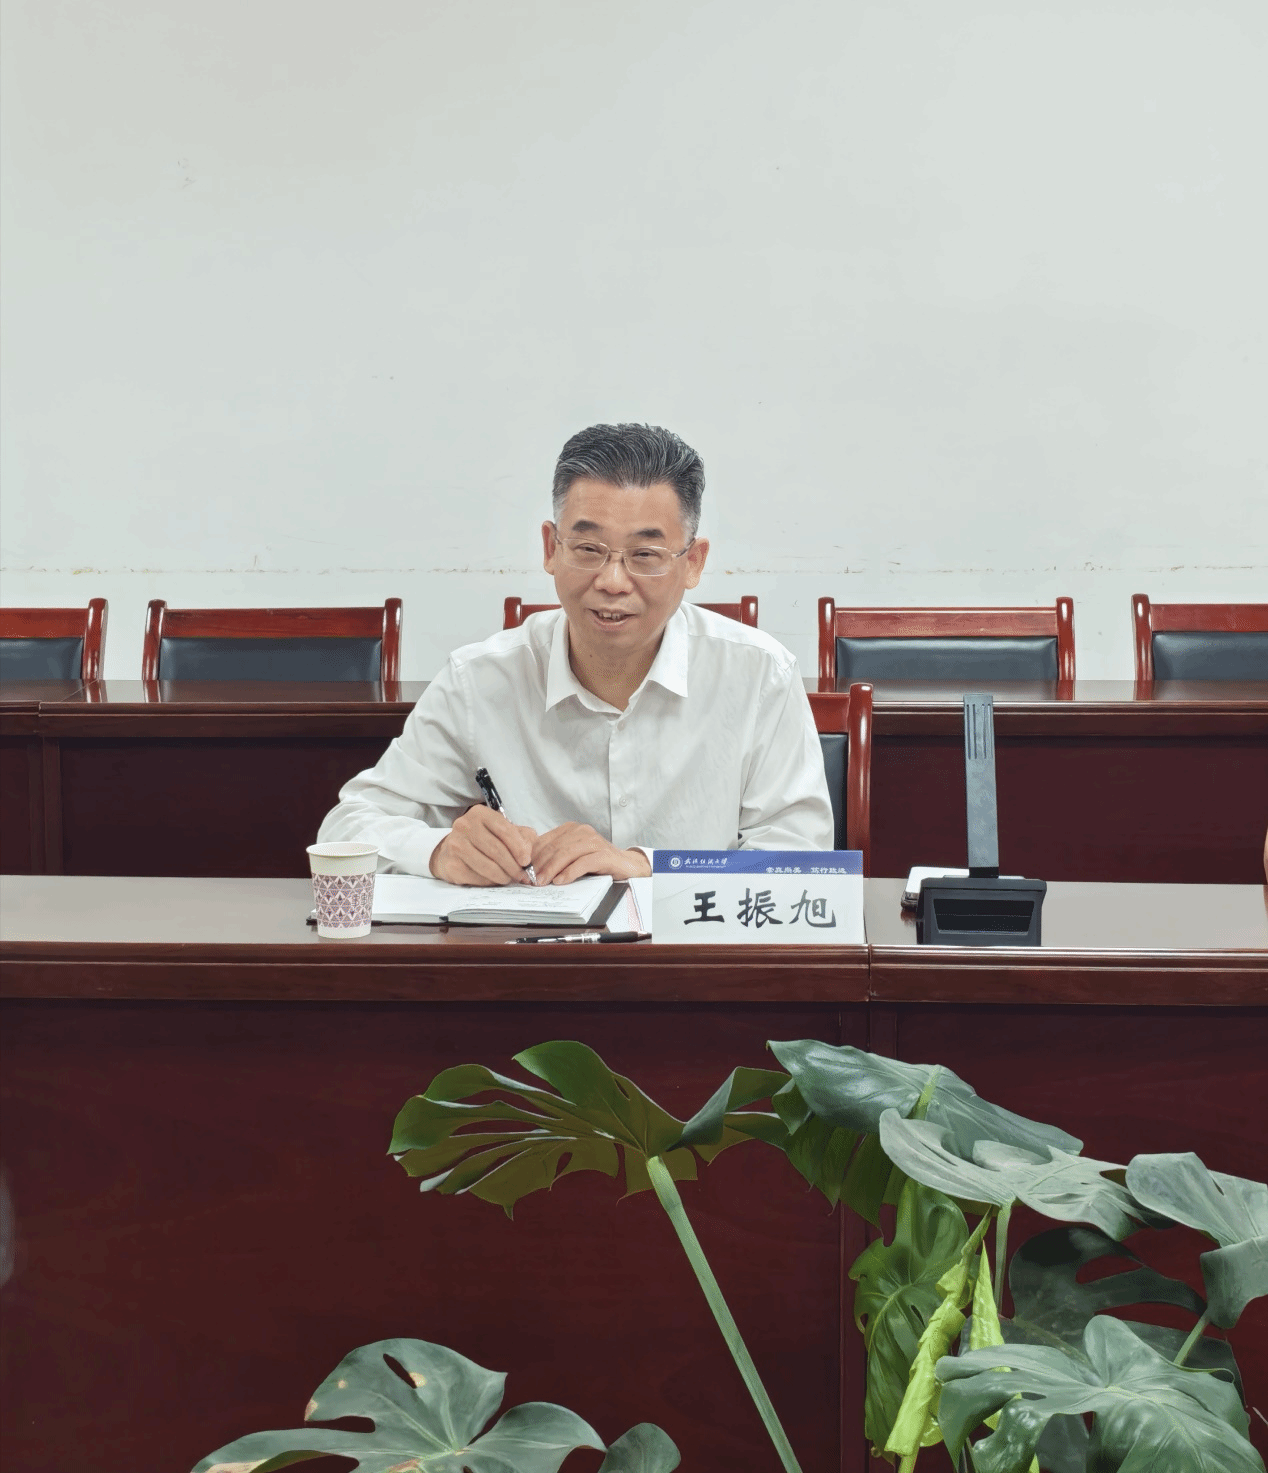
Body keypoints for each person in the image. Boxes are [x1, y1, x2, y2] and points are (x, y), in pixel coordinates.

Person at [317, 422, 834, 884]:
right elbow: (347, 828)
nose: (613, 582)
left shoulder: (759, 674)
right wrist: (439, 851)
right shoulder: (479, 680)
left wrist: (646, 866)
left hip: (695, 958)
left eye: (645, 554)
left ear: (693, 563)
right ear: (551, 548)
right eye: (588, 550)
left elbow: (802, 859)